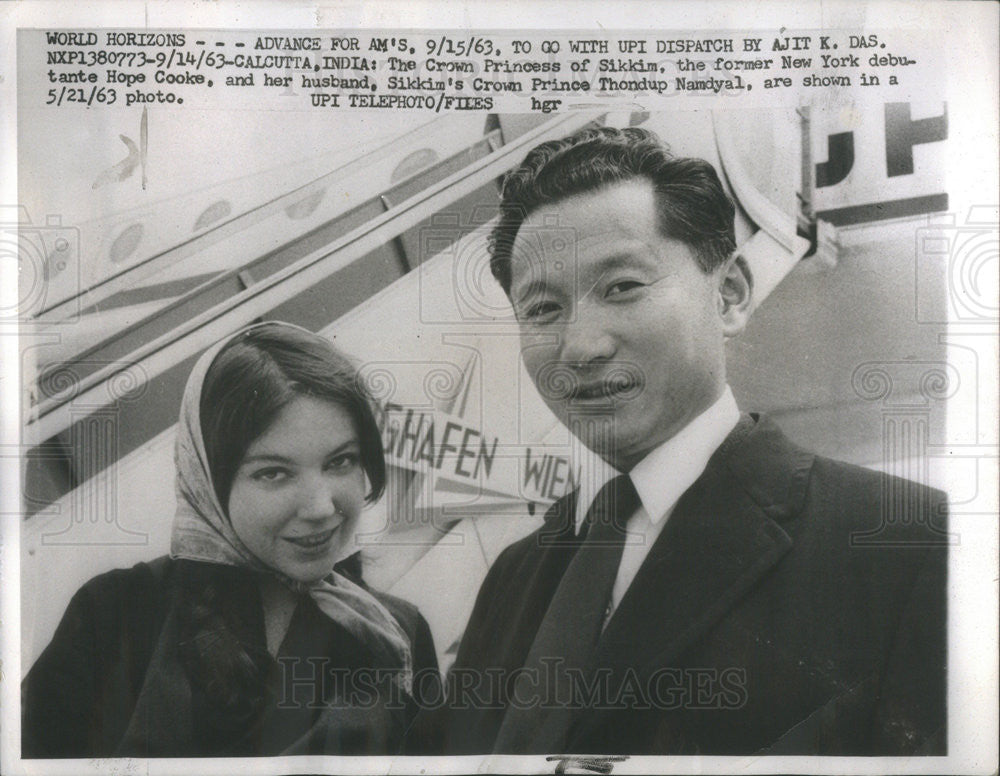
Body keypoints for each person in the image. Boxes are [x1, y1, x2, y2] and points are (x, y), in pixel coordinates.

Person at [444, 127, 948, 756]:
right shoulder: (516, 575)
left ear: (730, 295)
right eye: (542, 310)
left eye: (622, 287)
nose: (579, 346)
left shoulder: (912, 543)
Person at [22, 321, 439, 757]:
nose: (319, 507)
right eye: (273, 473)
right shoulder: (115, 615)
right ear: (207, 481)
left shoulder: (398, 633)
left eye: (341, 462)